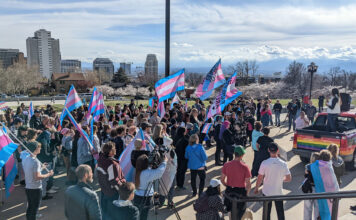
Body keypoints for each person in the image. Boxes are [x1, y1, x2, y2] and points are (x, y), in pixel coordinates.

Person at [254, 142, 292, 220]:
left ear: (268, 150)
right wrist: (280, 179)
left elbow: (260, 178)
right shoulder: (283, 164)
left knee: (266, 213)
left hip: (267, 192)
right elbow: (288, 179)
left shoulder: (264, 163)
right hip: (278, 192)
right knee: (280, 213)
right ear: (278, 150)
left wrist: (256, 188)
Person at [23, 142, 54, 220]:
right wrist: (48, 174)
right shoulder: (35, 161)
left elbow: (32, 171)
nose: (40, 148)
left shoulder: (27, 158)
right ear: (35, 149)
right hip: (35, 188)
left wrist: (42, 168)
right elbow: (37, 177)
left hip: (28, 187)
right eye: (39, 147)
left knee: (30, 207)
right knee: (34, 209)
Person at [97, 142, 126, 220]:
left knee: (105, 212)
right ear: (110, 151)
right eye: (114, 148)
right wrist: (122, 188)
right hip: (112, 193)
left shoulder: (101, 160)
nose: (115, 149)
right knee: (112, 214)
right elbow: (114, 181)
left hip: (104, 190)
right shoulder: (112, 164)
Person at [221, 145, 251, 220]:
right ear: (242, 155)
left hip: (230, 191)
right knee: (240, 211)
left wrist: (227, 186)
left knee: (230, 210)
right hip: (240, 192)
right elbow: (248, 184)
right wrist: (247, 194)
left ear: (234, 153)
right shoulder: (245, 167)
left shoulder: (226, 164)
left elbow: (222, 179)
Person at [133, 154, 167, 220]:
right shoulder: (147, 173)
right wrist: (164, 162)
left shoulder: (138, 170)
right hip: (145, 198)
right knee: (143, 216)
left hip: (137, 196)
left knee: (137, 215)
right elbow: (159, 172)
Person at [308, 150, 339, 220]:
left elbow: (308, 167)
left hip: (321, 194)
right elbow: (334, 181)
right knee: (332, 212)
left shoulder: (314, 166)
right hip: (332, 193)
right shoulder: (329, 166)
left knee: (323, 211)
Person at [302, 152, 320, 220]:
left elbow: (306, 175)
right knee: (317, 208)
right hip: (317, 189)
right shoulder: (320, 167)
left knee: (307, 208)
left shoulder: (308, 166)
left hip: (309, 188)